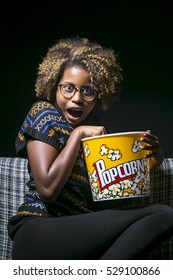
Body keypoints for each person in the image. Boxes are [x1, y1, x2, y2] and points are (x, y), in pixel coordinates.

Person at [8, 36, 173, 260]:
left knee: (161, 218)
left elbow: (109, 202)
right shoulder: (44, 115)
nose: (77, 98)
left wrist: (150, 163)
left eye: (88, 91)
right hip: (39, 231)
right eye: (68, 88)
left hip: (81, 234)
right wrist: (77, 136)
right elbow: (47, 190)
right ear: (54, 86)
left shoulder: (96, 132)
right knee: (161, 213)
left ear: (99, 95)